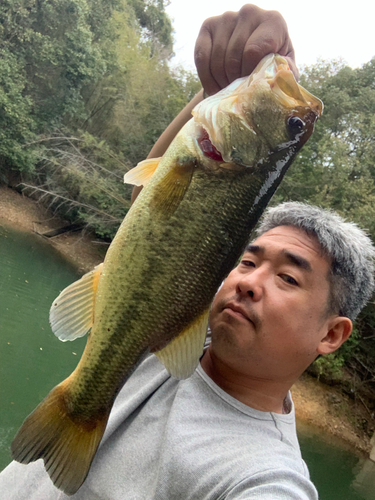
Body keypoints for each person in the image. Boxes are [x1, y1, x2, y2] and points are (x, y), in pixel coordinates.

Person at [1, 5, 374, 500]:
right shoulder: (162, 343)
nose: (249, 281)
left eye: (288, 278)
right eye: (248, 259)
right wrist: (225, 83)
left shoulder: (262, 478)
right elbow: (150, 207)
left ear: (332, 333)